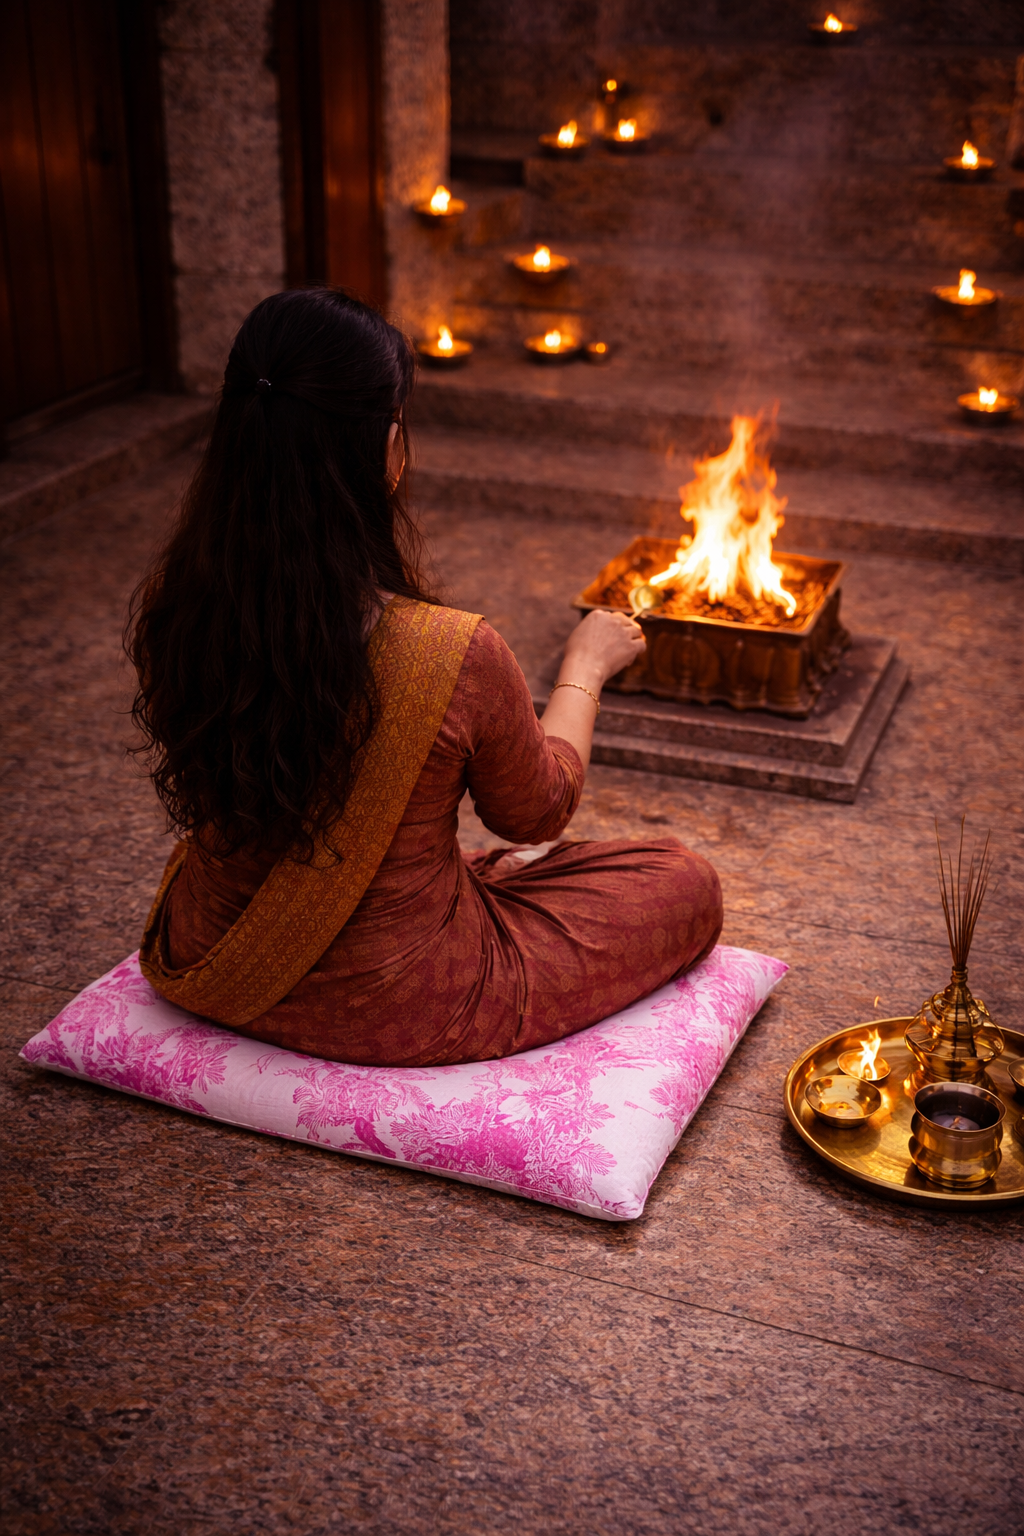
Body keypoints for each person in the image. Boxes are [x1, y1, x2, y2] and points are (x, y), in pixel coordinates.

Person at [129, 289, 722, 1067]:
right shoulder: (451, 651)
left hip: (207, 954)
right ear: (382, 451)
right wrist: (586, 667)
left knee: (455, 861)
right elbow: (537, 811)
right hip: (398, 1003)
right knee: (682, 879)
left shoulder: (182, 599)